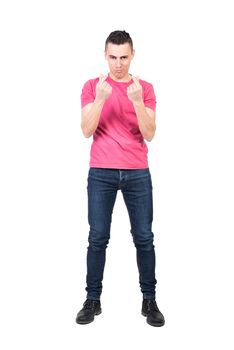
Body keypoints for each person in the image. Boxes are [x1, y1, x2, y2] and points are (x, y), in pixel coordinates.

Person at [75, 30, 165, 327]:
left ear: (132, 55)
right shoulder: (92, 87)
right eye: (113, 57)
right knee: (97, 237)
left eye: (123, 57)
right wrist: (101, 99)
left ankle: (149, 300)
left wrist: (137, 101)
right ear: (106, 55)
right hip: (101, 171)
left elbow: (150, 134)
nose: (118, 64)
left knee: (144, 238)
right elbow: (86, 130)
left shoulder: (146, 88)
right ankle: (92, 299)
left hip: (137, 172)